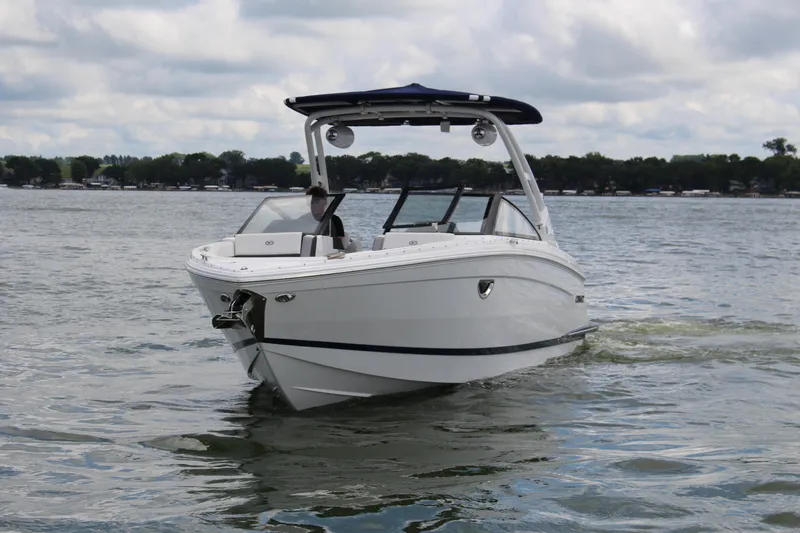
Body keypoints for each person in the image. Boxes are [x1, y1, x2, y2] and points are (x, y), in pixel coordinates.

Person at [306, 185, 347, 250]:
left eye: (316, 201)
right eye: (311, 202)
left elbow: (339, 245)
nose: (313, 205)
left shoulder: (335, 220)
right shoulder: (302, 220)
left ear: (325, 202)